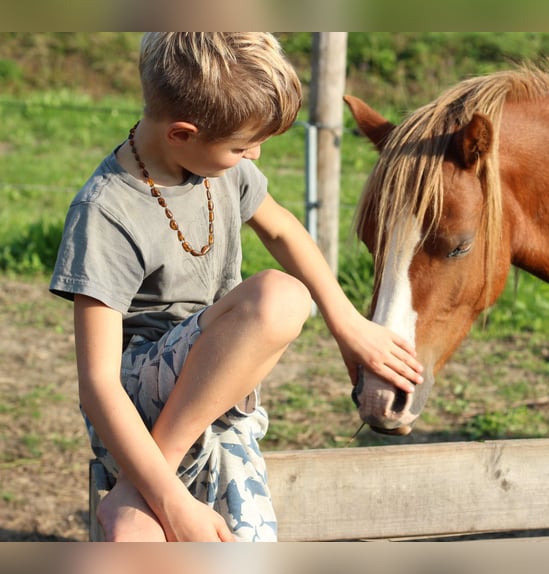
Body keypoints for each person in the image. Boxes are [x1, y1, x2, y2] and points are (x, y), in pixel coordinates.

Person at [49, 32, 423, 542]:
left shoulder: (221, 169)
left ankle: (136, 497)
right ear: (181, 134)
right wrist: (170, 502)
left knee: (244, 541)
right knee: (280, 297)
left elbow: (284, 229)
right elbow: (98, 386)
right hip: (134, 401)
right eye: (243, 146)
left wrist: (349, 324)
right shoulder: (107, 212)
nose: (257, 156)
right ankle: (148, 489)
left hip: (218, 393)